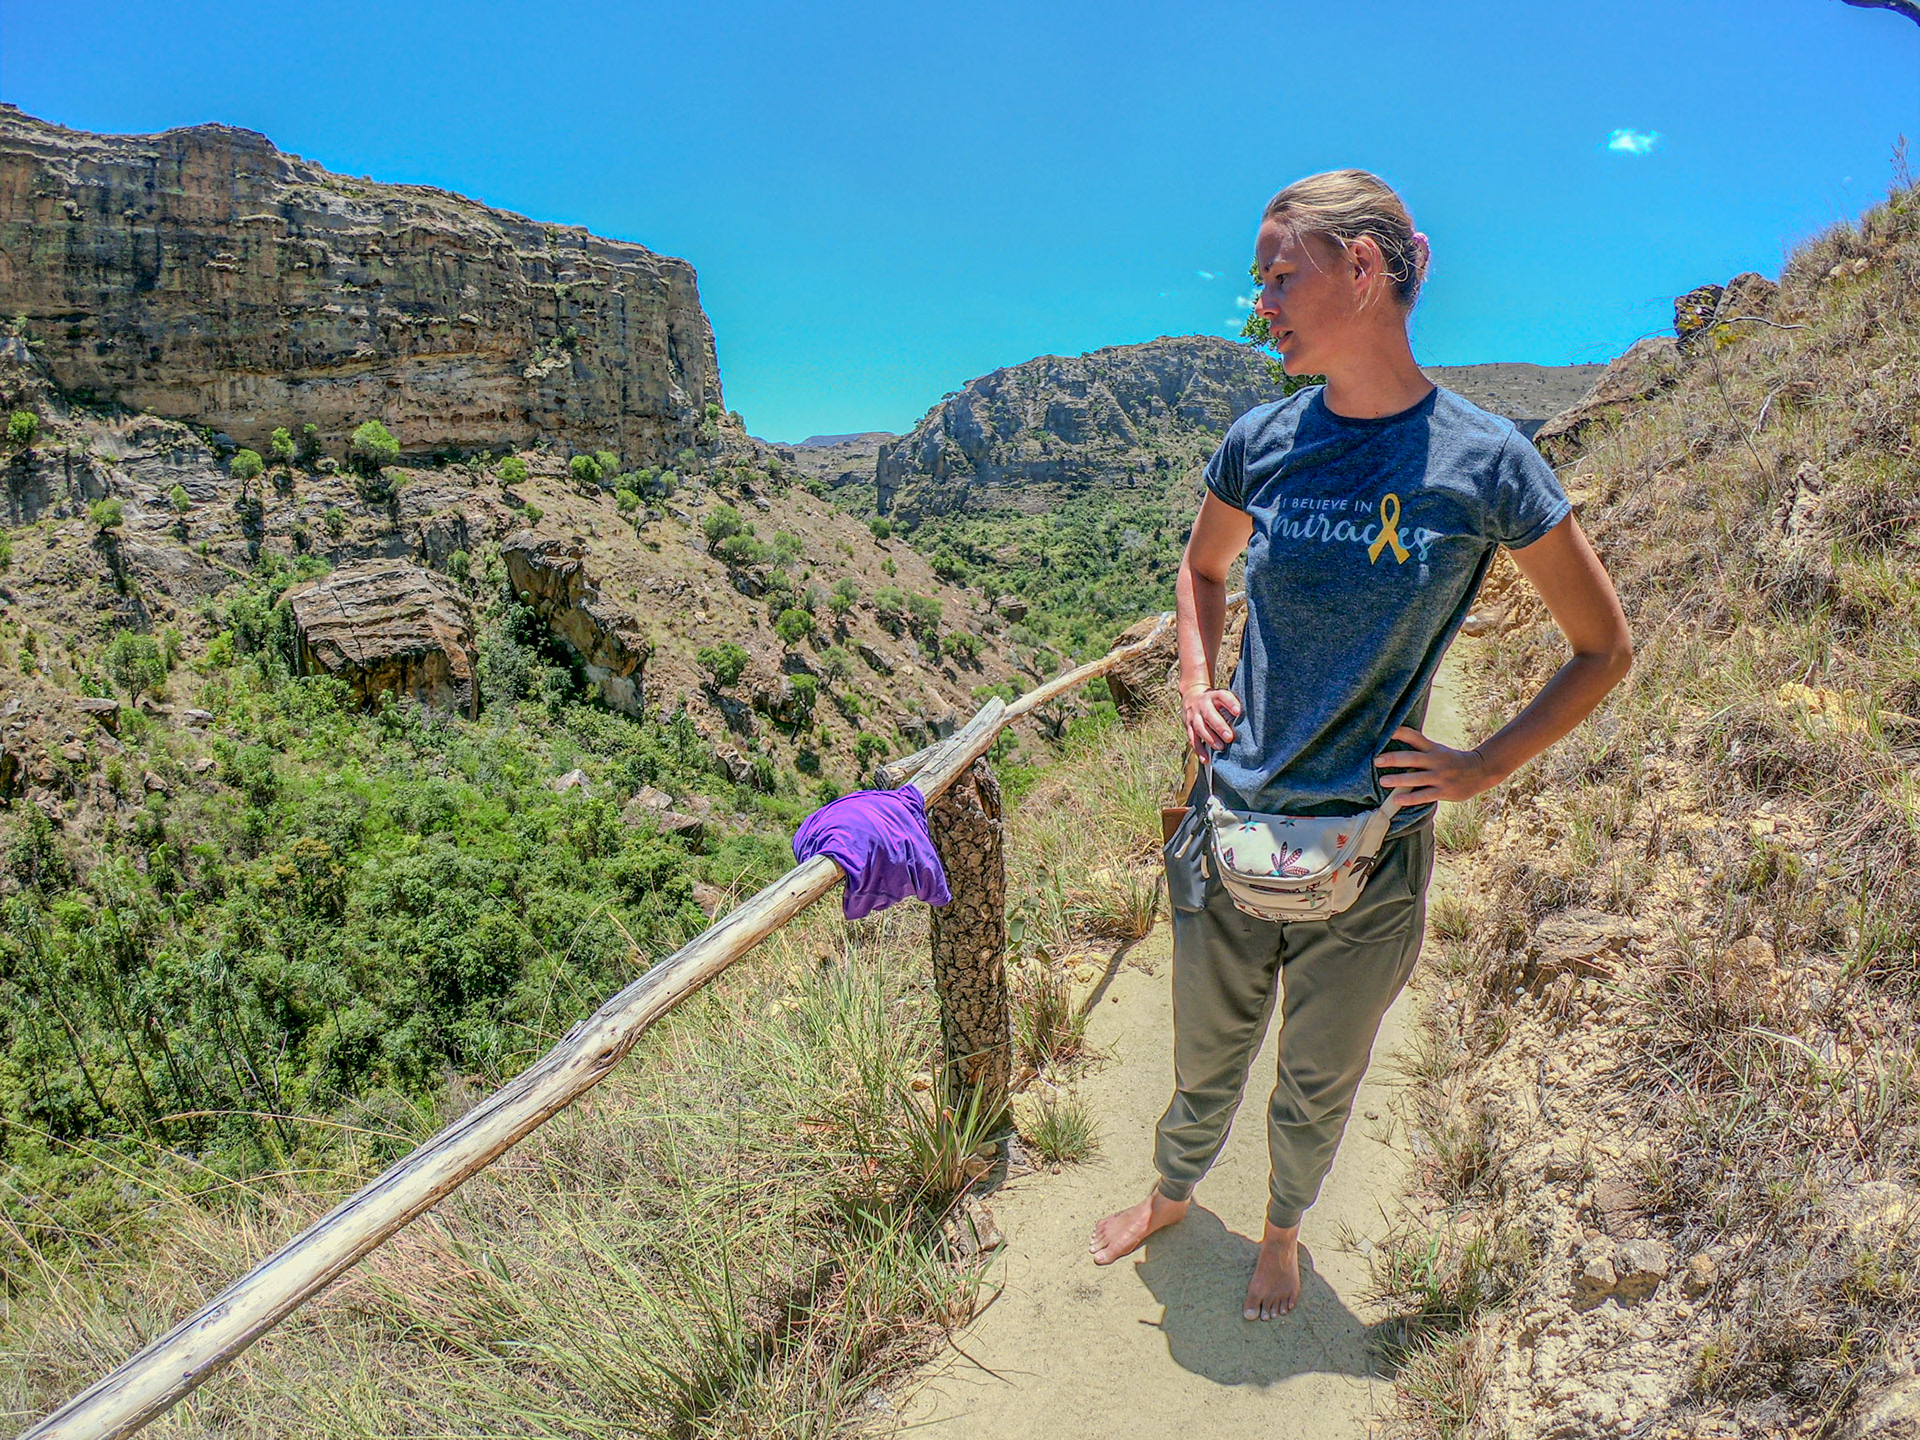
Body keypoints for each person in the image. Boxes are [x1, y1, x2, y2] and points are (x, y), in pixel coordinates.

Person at [1088, 170, 1633, 1321]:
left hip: (1373, 851)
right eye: (1259, 284)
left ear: (1365, 270)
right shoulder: (1261, 441)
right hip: (1228, 824)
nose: (1262, 306)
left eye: (1280, 276)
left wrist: (1481, 765)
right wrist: (1197, 680)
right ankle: (1171, 1194)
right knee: (1203, 1059)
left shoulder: (1487, 463)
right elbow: (1201, 570)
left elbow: (1602, 647)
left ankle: (1282, 1231)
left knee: (1317, 1077)